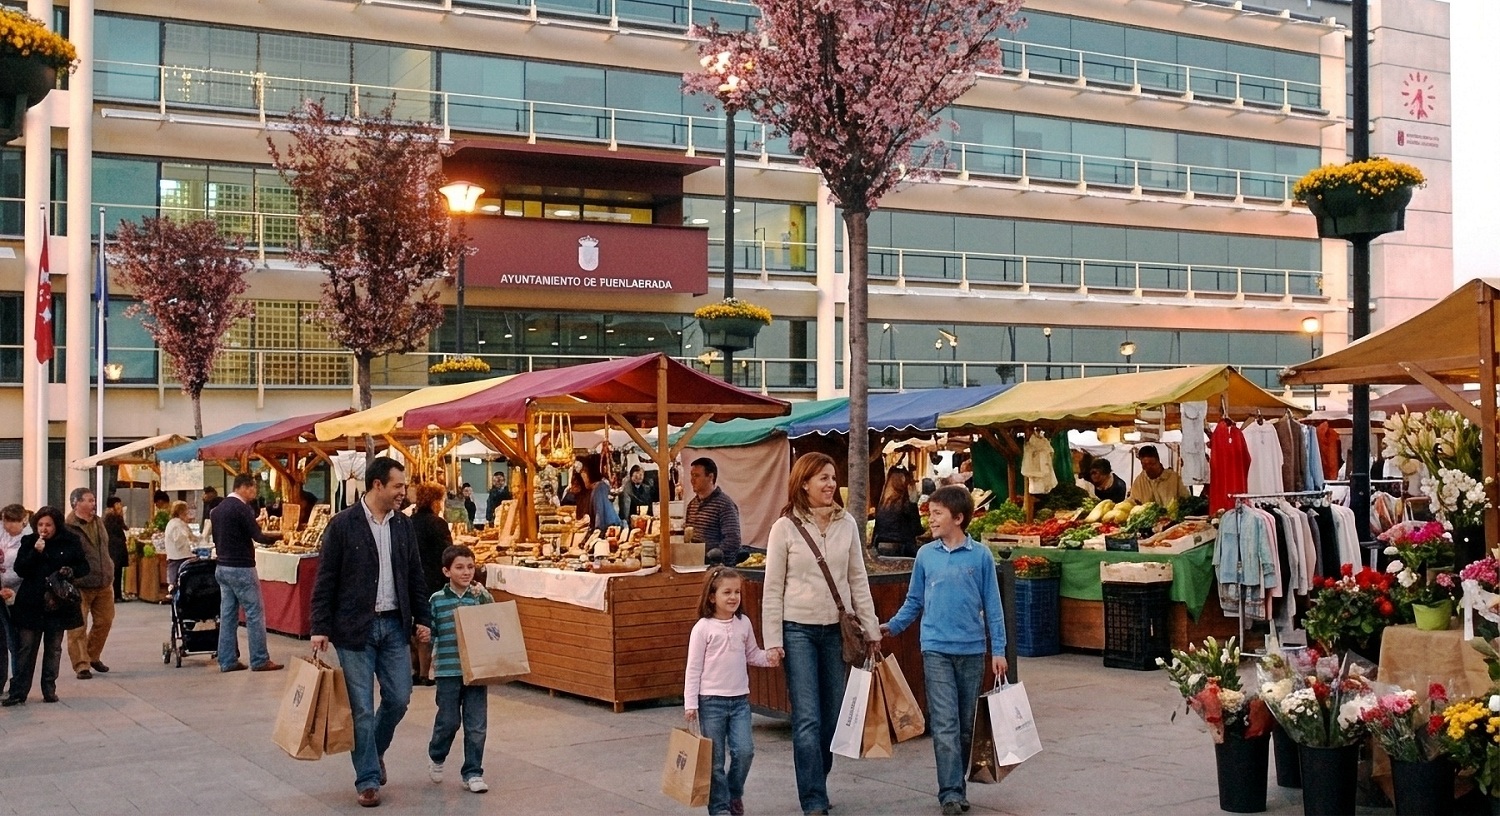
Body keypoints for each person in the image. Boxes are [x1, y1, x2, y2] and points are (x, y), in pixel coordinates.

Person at [762, 452, 881, 816]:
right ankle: (812, 798)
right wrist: (774, 641)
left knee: (831, 717)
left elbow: (857, 580)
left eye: (832, 478)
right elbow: (772, 588)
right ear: (803, 484)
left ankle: (819, 780)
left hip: (836, 632)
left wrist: (872, 627)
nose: (831, 484)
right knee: (808, 717)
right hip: (797, 629)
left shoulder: (847, 525)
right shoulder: (784, 528)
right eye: (823, 479)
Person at [311, 456, 433, 808]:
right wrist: (320, 627)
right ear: (377, 485)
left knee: (399, 698)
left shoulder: (403, 526)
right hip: (354, 630)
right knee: (362, 708)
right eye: (397, 485)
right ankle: (367, 778)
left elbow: (415, 576)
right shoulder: (342, 525)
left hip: (395, 625)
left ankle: (373, 750)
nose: (403, 491)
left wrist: (422, 618)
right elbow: (325, 580)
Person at [880, 486, 1008, 816]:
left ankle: (959, 784)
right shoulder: (925, 556)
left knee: (966, 726)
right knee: (945, 724)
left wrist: (999, 650)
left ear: (959, 517)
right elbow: (914, 602)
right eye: (930, 513)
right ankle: (949, 792)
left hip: (972, 650)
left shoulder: (980, 556)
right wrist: (891, 627)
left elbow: (993, 606)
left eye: (937, 513)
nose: (931, 519)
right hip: (935, 648)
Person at [684, 566, 777, 816]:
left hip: (739, 702)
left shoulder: (743, 623)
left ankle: (734, 793)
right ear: (712, 596)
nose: (734, 597)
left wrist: (769, 658)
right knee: (714, 761)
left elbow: (752, 654)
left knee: (744, 751)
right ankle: (720, 808)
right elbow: (693, 668)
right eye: (727, 592)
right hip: (711, 701)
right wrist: (691, 704)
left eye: (737, 591)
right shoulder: (703, 628)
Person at [3, 507, 89, 706]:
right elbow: (20, 569)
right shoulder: (29, 541)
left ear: (56, 525)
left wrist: (70, 571)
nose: (44, 529)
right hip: (31, 603)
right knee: (26, 647)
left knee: (53, 648)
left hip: (57, 603)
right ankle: (18, 691)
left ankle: (49, 689)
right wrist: (35, 552)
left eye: (48, 525)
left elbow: (84, 566)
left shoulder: (70, 541)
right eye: (40, 524)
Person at [426, 544, 494, 794]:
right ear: (446, 571)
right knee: (448, 720)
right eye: (460, 567)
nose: (466, 572)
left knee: (476, 724)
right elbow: (430, 632)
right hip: (448, 670)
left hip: (476, 670)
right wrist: (424, 638)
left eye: (470, 567)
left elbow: (493, 622)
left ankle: (473, 772)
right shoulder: (437, 600)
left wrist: (484, 596)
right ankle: (437, 754)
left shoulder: (479, 596)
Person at [209, 474, 284, 674]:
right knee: (254, 613)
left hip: (222, 566)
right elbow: (258, 535)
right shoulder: (241, 508)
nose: (255, 493)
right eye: (253, 489)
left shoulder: (217, 510)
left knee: (227, 615)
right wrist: (280, 538)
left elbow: (217, 538)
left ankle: (227, 660)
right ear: (244, 487)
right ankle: (259, 659)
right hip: (241, 566)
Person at [65, 487, 115, 680]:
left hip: (103, 582)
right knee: (78, 626)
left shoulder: (98, 522)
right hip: (80, 584)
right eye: (89, 500)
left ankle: (93, 655)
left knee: (105, 621)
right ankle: (81, 665)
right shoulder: (68, 526)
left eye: (93, 500)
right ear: (76, 503)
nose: (93, 503)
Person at [410, 481, 452, 688]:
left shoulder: (410, 521)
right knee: (429, 624)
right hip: (433, 580)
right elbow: (447, 553)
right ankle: (428, 673)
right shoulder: (437, 524)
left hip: (413, 580)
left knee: (415, 626)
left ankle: (416, 669)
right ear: (436, 501)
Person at [686, 458, 745, 566]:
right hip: (695, 566)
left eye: (697, 476)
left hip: (719, 569)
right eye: (691, 475)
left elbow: (733, 540)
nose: (692, 480)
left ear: (710, 477)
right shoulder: (692, 505)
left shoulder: (725, 505)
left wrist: (711, 556)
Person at [0, 503, 27, 691]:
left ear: (21, 522)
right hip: (0, 591)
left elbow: (27, 569)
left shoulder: (28, 539)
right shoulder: (1, 533)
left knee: (15, 641)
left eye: (11, 522)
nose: (7, 526)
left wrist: (14, 592)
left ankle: (17, 682)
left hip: (18, 593)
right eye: (4, 521)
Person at [872, 468, 922, 557]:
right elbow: (917, 529)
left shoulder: (883, 503)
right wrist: (913, 502)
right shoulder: (906, 504)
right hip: (902, 549)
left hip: (881, 548)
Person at [163, 501, 201, 590]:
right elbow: (180, 539)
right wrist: (191, 540)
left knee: (175, 576)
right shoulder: (176, 524)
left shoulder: (175, 523)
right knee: (178, 577)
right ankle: (174, 591)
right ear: (181, 512)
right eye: (186, 511)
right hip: (179, 555)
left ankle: (173, 589)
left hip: (177, 555)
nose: (188, 513)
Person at [582, 454, 622, 535]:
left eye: (584, 471)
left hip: (609, 533)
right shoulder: (600, 486)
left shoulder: (599, 489)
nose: (582, 476)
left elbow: (600, 521)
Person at [103, 496, 129, 601]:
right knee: (116, 572)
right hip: (114, 548)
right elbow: (118, 530)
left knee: (117, 572)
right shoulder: (111, 517)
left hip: (115, 547)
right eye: (118, 503)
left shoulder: (111, 516)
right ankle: (115, 595)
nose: (120, 506)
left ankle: (117, 595)